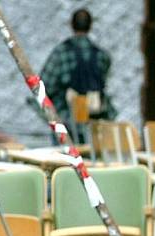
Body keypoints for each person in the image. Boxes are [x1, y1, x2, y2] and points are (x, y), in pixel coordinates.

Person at [40, 9, 116, 141]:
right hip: (94, 123)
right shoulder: (102, 56)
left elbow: (44, 86)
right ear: (91, 26)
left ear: (71, 25)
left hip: (67, 121)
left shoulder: (61, 52)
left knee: (64, 160)